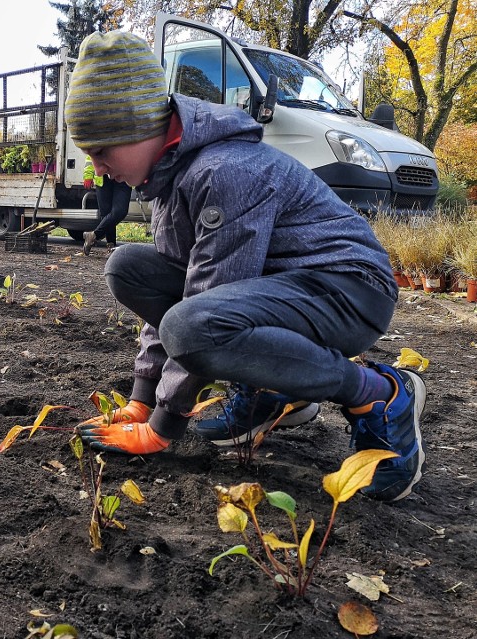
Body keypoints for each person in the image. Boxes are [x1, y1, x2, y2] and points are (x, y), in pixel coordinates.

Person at [64, 31, 426, 502]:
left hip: (348, 291)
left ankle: (378, 393)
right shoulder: (171, 176)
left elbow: (202, 301)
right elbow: (185, 282)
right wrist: (141, 397)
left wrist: (161, 425)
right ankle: (274, 391)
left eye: (102, 150)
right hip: (282, 288)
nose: (97, 167)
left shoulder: (224, 170)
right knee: (128, 266)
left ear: (138, 128)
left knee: (192, 328)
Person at [83, 157, 133, 255]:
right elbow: (91, 155)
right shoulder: (100, 140)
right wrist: (88, 175)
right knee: (106, 213)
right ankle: (111, 246)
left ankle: (93, 235)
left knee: (120, 211)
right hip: (103, 177)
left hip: (123, 176)